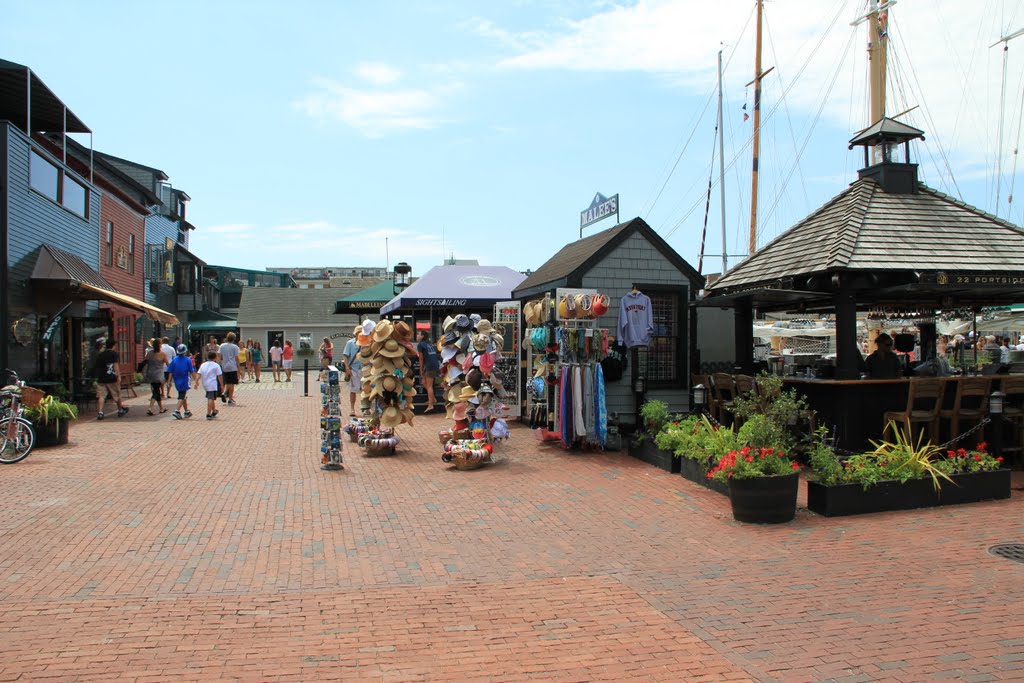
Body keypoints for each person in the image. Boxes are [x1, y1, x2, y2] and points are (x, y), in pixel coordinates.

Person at [93, 338, 128, 420]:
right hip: (111, 377)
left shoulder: (101, 354)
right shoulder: (114, 354)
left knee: (101, 396)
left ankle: (100, 412)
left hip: (101, 378)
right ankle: (120, 410)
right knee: (116, 394)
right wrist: (119, 376)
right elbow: (115, 365)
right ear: (114, 345)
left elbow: (97, 366)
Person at [168, 344, 197, 419]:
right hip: (184, 379)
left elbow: (170, 371)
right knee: (182, 395)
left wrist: (169, 381)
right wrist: (196, 380)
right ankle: (176, 410)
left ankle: (186, 411)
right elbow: (191, 371)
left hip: (176, 380)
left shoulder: (174, 359)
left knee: (182, 394)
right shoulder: (188, 360)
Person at [341, 326, 362, 417]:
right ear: (356, 334)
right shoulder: (350, 343)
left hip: (364, 368)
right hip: (353, 368)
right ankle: (352, 409)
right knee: (353, 390)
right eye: (359, 332)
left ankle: (366, 408)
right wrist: (347, 368)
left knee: (366, 389)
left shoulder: (367, 343)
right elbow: (345, 356)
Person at [416, 330, 440, 412]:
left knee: (429, 385)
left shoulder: (420, 345)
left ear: (422, 336)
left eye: (418, 334)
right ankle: (432, 399)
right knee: (424, 383)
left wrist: (421, 370)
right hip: (434, 364)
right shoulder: (429, 344)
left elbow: (421, 359)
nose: (417, 335)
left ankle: (430, 405)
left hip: (429, 366)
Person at [144, 338, 169, 414]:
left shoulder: (149, 353)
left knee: (156, 390)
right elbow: (168, 364)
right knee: (155, 391)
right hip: (158, 375)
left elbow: (145, 363)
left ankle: (161, 408)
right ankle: (150, 408)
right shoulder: (162, 354)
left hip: (151, 374)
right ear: (160, 345)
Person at [196, 351, 223, 420]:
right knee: (210, 398)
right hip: (212, 383)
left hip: (205, 383)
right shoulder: (216, 365)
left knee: (212, 397)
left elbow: (199, 373)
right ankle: (208, 413)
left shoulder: (203, 365)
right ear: (215, 357)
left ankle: (214, 410)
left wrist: (196, 381)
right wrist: (221, 385)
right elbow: (219, 376)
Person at [218, 332, 241, 405]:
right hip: (232, 366)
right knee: (232, 383)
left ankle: (227, 396)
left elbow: (219, 355)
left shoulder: (222, 346)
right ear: (234, 339)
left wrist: (220, 363)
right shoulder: (235, 347)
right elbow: (237, 358)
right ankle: (228, 396)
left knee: (227, 381)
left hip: (224, 365)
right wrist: (239, 368)